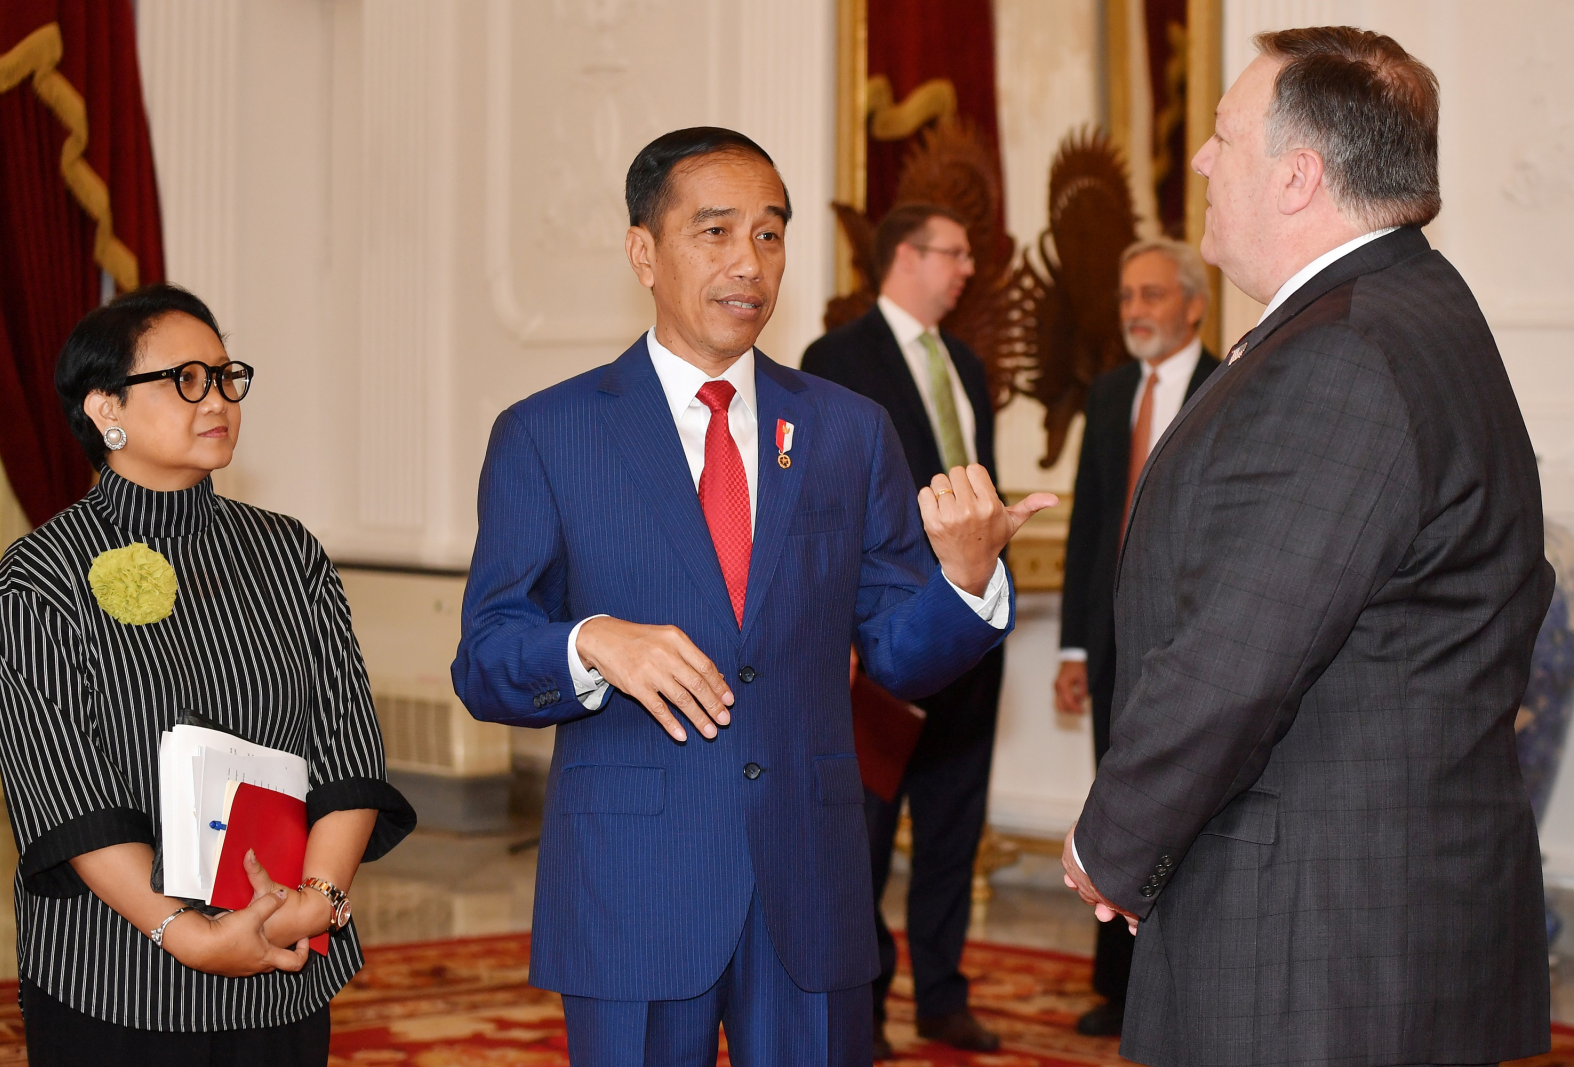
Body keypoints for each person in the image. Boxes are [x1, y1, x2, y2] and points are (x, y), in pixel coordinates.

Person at [452, 127, 1054, 1067]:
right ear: (643, 252)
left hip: (808, 881)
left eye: (770, 234)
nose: (749, 262)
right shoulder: (548, 433)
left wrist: (967, 580)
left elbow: (899, 652)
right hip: (634, 885)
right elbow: (487, 655)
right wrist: (592, 641)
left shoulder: (847, 430)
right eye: (716, 231)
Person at [1059, 27, 1553, 1066]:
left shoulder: (1344, 352)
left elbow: (1242, 651)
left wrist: (1112, 841)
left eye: (1223, 135)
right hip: (1379, 917)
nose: (1202, 159)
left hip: (1318, 942)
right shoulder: (1408, 306)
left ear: (1297, 176)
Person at [0, 283, 415, 1066]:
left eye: (224, 375)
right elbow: (67, 794)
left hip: (282, 958)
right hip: (117, 971)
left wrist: (315, 900)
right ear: (105, 408)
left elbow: (347, 749)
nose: (217, 398)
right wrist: (185, 932)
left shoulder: (288, 553)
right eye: (185, 379)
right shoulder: (41, 577)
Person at [802, 203, 1003, 1057]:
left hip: (967, 636)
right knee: (865, 836)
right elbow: (821, 504)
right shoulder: (836, 359)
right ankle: (869, 1000)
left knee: (955, 825)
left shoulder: (965, 363)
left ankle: (943, 996)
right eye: (954, 253)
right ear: (907, 256)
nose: (967, 269)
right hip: (880, 638)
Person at [1052, 237, 1218, 1038]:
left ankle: (1185, 982)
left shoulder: (1232, 383)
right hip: (1114, 641)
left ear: (1195, 304)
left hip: (1194, 638)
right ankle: (1118, 989)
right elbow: (1090, 526)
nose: (1135, 310)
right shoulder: (1111, 390)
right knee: (1115, 803)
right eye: (1126, 296)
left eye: (1152, 294)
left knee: (1186, 806)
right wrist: (1074, 648)